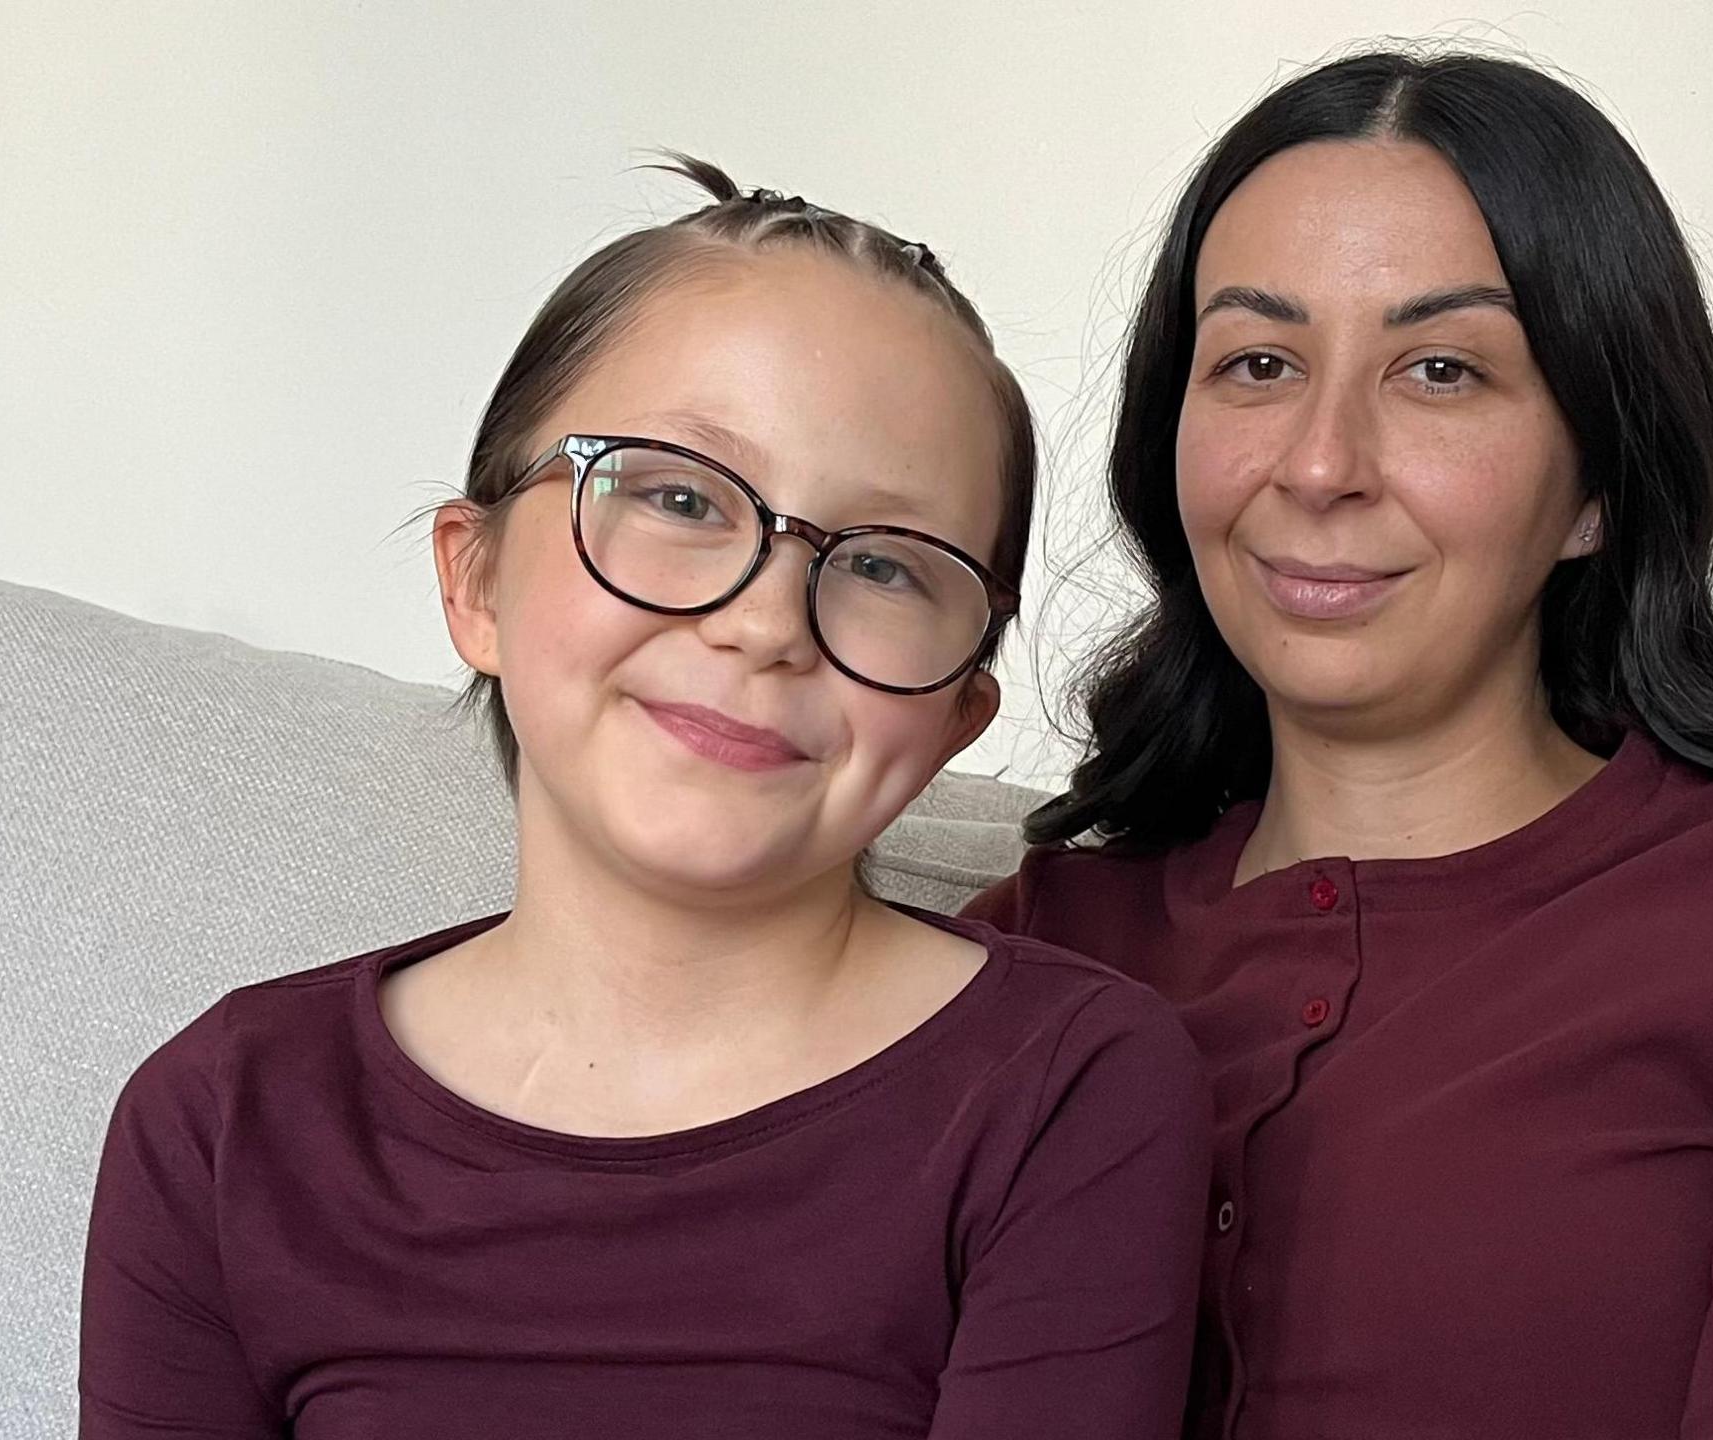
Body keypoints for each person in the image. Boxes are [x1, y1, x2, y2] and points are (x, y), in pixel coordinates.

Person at [968, 49, 1713, 1439]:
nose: (1319, 464)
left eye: (1441, 370)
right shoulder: (1028, 947)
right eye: (1257, 361)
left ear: (1597, 488)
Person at [80, 158, 1211, 1440]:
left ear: (956, 716)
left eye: (888, 567)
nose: (766, 622)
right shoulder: (224, 1120)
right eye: (678, 496)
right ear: (476, 578)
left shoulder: (1072, 1088)